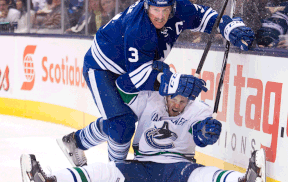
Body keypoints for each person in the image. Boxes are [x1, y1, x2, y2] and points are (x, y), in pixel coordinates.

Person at [57, 0, 255, 166]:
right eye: (155, 10)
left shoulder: (180, 7)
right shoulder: (138, 28)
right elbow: (138, 78)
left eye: (165, 10)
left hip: (133, 68)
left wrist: (227, 26)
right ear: (146, 6)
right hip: (102, 69)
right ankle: (115, 171)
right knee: (121, 124)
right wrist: (173, 81)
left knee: (131, 116)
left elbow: (204, 17)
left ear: (173, 7)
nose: (160, 16)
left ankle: (75, 141)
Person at [20, 92, 266, 182]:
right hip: (140, 169)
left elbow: (200, 133)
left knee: (203, 176)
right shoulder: (149, 99)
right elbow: (119, 110)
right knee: (103, 172)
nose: (179, 105)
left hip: (177, 170)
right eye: (175, 99)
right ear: (166, 93)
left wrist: (204, 132)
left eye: (184, 100)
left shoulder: (198, 109)